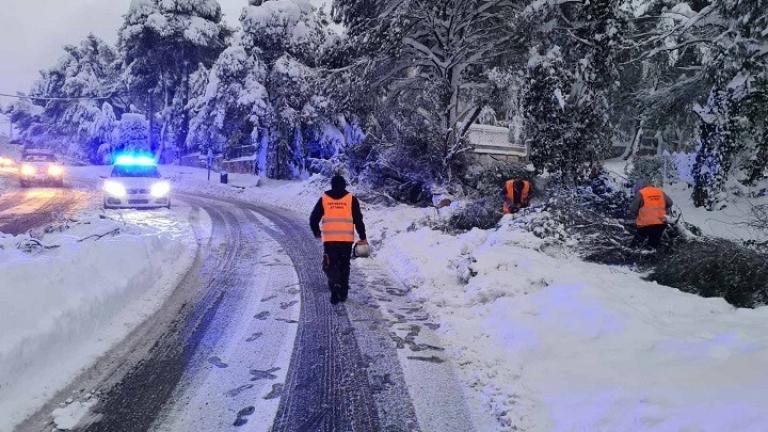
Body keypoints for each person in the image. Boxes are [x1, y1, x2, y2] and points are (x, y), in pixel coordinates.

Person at [310, 175, 367, 304]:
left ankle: (335, 285)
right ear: (344, 185)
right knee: (345, 264)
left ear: (332, 185)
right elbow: (358, 219)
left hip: (330, 239)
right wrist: (362, 236)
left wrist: (316, 231)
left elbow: (313, 218)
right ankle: (343, 291)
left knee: (331, 263)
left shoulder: (324, 199)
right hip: (346, 239)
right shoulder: (351, 199)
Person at [628, 181, 674, 249]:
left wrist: (635, 217)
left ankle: (630, 256)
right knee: (652, 246)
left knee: (635, 246)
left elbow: (633, 209)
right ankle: (650, 257)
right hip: (660, 224)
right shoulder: (660, 192)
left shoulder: (641, 192)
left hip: (644, 225)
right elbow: (670, 203)